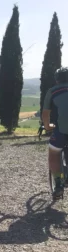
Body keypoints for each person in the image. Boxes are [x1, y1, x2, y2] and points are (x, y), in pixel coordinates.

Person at [42, 67, 68, 200]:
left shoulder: (52, 91)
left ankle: (58, 184)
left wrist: (47, 126)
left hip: (61, 130)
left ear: (57, 80)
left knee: (53, 153)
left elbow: (46, 113)